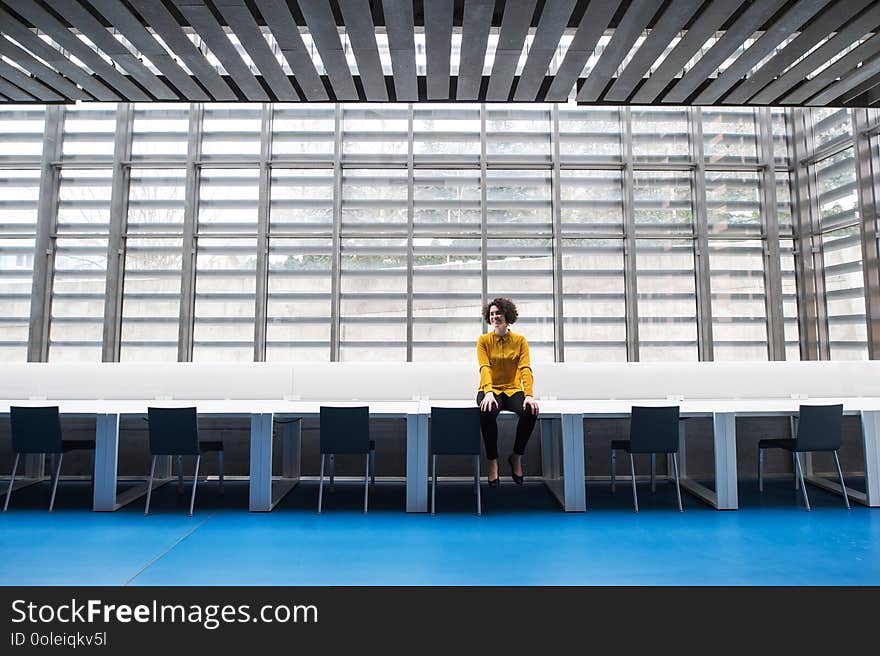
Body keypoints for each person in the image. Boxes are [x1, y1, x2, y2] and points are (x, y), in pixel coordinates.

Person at [476, 297, 539, 487]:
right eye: (492, 314)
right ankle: (493, 461)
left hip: (512, 389)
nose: (495, 316)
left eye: (498, 313)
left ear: (507, 315)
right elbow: (484, 367)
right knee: (486, 411)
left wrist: (528, 394)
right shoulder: (484, 340)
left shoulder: (520, 341)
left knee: (531, 411)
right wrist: (488, 392)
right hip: (490, 389)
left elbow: (525, 368)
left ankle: (516, 456)